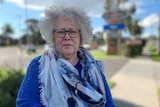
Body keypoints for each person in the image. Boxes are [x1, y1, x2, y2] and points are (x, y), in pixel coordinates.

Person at [16, 5, 116, 107]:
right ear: (52, 36)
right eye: (61, 32)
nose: (67, 37)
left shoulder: (94, 69)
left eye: (73, 31)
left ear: (81, 37)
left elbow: (109, 104)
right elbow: (25, 103)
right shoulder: (38, 65)